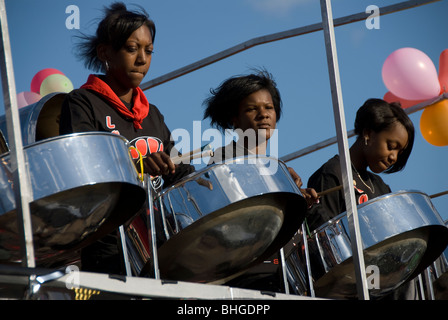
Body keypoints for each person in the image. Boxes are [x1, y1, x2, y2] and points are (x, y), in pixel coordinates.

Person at [59, 2, 194, 275]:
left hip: (158, 247)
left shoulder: (152, 114)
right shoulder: (82, 103)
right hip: (107, 249)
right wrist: (138, 164)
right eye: (132, 49)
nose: (142, 59)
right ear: (105, 52)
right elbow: (81, 173)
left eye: (149, 50)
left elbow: (178, 173)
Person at [203, 69, 318, 292]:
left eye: (269, 108)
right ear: (234, 119)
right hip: (244, 279)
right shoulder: (222, 159)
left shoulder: (280, 168)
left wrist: (299, 204)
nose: (263, 114)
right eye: (251, 109)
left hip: (286, 277)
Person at [306, 98, 417, 299]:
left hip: (377, 279)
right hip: (346, 283)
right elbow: (324, 239)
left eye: (399, 152)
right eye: (391, 146)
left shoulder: (381, 186)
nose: (394, 157)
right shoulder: (332, 174)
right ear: (367, 134)